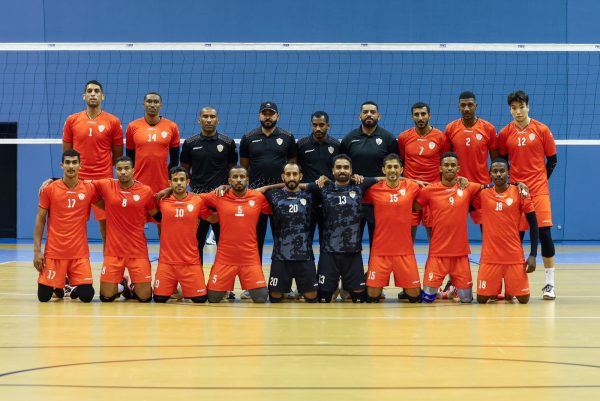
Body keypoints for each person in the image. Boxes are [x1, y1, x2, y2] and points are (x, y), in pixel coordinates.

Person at [498, 90, 558, 300]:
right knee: (516, 238)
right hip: (516, 191)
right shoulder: (505, 133)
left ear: (528, 107)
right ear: (510, 110)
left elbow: (552, 160)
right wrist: (512, 185)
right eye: (514, 108)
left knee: (544, 234)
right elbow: (502, 163)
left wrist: (540, 180)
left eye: (521, 107)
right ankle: (514, 284)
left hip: (538, 191)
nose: (518, 111)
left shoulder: (542, 130)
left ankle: (550, 284)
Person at [307, 154, 381, 303]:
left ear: (351, 170)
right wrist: (264, 189)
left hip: (352, 252)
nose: (342, 170)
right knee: (324, 298)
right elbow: (297, 186)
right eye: (339, 167)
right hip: (329, 252)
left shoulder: (359, 185)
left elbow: (385, 179)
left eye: (346, 167)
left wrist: (416, 181)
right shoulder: (323, 187)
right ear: (332, 170)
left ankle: (346, 287)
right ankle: (335, 287)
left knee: (358, 299)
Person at [414, 152, 481, 304]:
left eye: (452, 165)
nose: (449, 168)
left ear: (458, 168)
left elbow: (493, 187)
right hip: (437, 253)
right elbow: (415, 206)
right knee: (427, 299)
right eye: (446, 165)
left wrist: (518, 185)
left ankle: (453, 288)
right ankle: (440, 289)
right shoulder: (429, 190)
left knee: (466, 300)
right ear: (440, 168)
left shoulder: (468, 187)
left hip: (460, 254)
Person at [33, 149, 98, 303]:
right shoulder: (49, 189)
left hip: (79, 253)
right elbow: (40, 219)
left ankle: (71, 286)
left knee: (87, 296)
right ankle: (59, 286)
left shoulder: (89, 189)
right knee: (43, 297)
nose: (71, 166)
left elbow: (111, 192)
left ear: (80, 165)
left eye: (74, 162)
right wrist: (37, 251)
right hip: (55, 252)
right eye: (67, 162)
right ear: (61, 165)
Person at [62, 80, 123, 241]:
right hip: (78, 180)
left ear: (103, 96)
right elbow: (67, 154)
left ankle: (108, 259)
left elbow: (118, 156)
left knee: (107, 229)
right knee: (74, 226)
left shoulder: (113, 121)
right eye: (89, 91)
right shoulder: (72, 120)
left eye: (96, 91)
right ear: (84, 96)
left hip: (104, 181)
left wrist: (101, 168)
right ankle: (75, 257)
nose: (93, 94)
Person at [93, 156, 158, 302]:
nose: (123, 172)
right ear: (115, 170)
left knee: (145, 298)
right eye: (119, 169)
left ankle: (134, 287)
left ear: (133, 170)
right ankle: (122, 285)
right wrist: (54, 180)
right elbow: (82, 184)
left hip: (137, 251)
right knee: (106, 297)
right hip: (114, 251)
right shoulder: (107, 185)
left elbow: (156, 214)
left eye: (126, 168)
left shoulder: (145, 191)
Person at [202, 166, 271, 303]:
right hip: (225, 258)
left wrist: (267, 187)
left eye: (242, 177)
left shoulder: (257, 197)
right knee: (213, 298)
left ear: (247, 180)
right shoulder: (220, 195)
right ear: (229, 180)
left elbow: (275, 207)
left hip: (249, 258)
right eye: (235, 177)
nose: (239, 180)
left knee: (261, 298)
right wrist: (210, 217)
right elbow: (195, 199)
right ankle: (224, 287)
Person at [473, 159, 538, 304]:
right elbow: (464, 200)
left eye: (502, 171)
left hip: (513, 256)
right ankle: (497, 290)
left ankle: (509, 290)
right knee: (482, 299)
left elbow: (534, 224)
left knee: (523, 299)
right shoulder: (483, 194)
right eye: (495, 171)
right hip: (490, 258)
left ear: (508, 173)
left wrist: (533, 254)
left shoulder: (520, 193)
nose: (498, 174)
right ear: (490, 174)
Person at [239, 102, 297, 262]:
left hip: (281, 195)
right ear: (259, 116)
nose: (268, 117)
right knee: (255, 239)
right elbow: (243, 168)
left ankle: (280, 274)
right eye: (264, 113)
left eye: (271, 114)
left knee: (282, 237)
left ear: (277, 116)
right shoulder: (248, 138)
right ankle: (254, 275)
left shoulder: (287, 137)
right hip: (256, 195)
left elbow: (292, 167)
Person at [152, 166, 218, 303]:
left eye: (182, 179)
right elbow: (148, 206)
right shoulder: (162, 201)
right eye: (175, 180)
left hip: (190, 261)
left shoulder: (197, 200)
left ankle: (184, 289)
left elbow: (212, 218)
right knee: (159, 298)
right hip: (167, 262)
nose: (179, 183)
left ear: (188, 182)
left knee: (200, 299)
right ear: (170, 183)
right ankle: (176, 289)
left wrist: (231, 211)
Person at [362, 154, 422, 303]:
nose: (392, 170)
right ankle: (365, 280)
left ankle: (407, 289)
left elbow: (434, 189)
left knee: (415, 296)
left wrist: (460, 180)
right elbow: (354, 188)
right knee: (372, 296)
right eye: (389, 167)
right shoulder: (373, 189)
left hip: (404, 251)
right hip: (380, 251)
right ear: (383, 170)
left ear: (401, 169)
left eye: (396, 167)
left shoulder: (412, 187)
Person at [180, 106, 237, 262]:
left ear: (218, 120)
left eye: (212, 117)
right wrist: (191, 193)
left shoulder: (228, 142)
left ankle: (222, 277)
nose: (209, 120)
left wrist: (228, 187)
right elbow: (184, 172)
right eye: (205, 117)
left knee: (225, 243)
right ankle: (195, 276)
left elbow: (233, 172)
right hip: (198, 199)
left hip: (222, 199)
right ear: (199, 120)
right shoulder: (190, 143)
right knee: (195, 243)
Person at [340, 101, 397, 246]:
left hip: (379, 198)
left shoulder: (388, 138)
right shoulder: (349, 138)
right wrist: (351, 176)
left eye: (372, 112)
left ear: (379, 116)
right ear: (360, 116)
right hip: (354, 198)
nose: (369, 114)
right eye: (365, 112)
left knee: (378, 241)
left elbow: (395, 168)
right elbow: (341, 167)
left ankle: (375, 263)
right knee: (352, 241)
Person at [262, 163, 319, 303]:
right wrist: (268, 187)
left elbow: (327, 186)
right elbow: (253, 192)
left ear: (301, 176)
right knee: (275, 298)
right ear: (283, 177)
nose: (292, 177)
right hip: (280, 256)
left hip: (304, 255)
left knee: (312, 297)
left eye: (295, 174)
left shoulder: (310, 195)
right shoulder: (273, 195)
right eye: (288, 174)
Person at [445, 91, 499, 225]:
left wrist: (493, 184)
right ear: (458, 107)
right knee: (454, 226)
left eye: (470, 105)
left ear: (476, 106)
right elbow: (446, 160)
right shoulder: (450, 128)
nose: (466, 109)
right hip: (457, 185)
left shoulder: (488, 128)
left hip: (481, 186)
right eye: (463, 105)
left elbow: (496, 161)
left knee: (487, 226)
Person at [398, 102, 450, 240]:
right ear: (412, 117)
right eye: (416, 115)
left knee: (435, 237)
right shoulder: (404, 137)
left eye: (423, 114)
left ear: (429, 115)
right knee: (407, 237)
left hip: (432, 191)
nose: (420, 118)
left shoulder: (440, 137)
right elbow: (402, 161)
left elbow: (445, 163)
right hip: (410, 191)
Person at [296, 111, 340, 245]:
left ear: (328, 126)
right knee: (304, 240)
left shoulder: (336, 145)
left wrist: (330, 181)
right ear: (311, 125)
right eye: (315, 125)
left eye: (321, 125)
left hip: (329, 199)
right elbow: (295, 170)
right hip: (307, 200)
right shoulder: (301, 145)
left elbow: (340, 170)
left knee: (328, 242)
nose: (318, 128)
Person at [125, 92, 180, 194]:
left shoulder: (172, 127)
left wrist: (168, 181)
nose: (152, 105)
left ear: (161, 105)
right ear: (144, 104)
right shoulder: (132, 126)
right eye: (149, 101)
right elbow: (130, 159)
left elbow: (174, 161)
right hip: (138, 184)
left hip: (163, 186)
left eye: (156, 102)